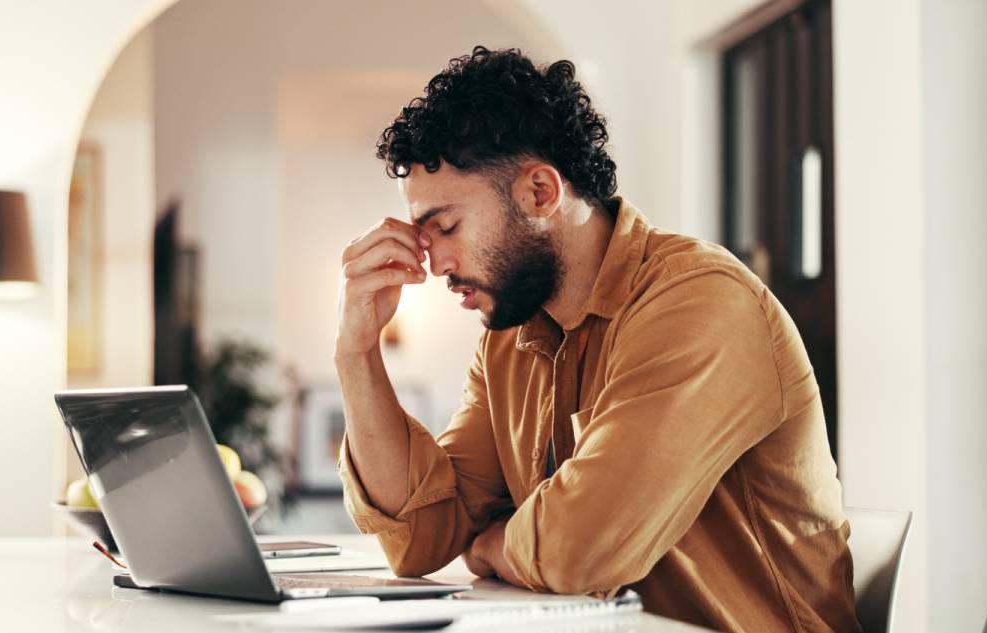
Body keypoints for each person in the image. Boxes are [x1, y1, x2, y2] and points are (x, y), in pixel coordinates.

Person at [334, 46, 860, 633]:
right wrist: (356, 352)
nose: (435, 266)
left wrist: (488, 547)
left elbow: (581, 551)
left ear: (540, 192)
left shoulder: (701, 302)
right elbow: (422, 539)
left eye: (447, 227)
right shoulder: (513, 335)